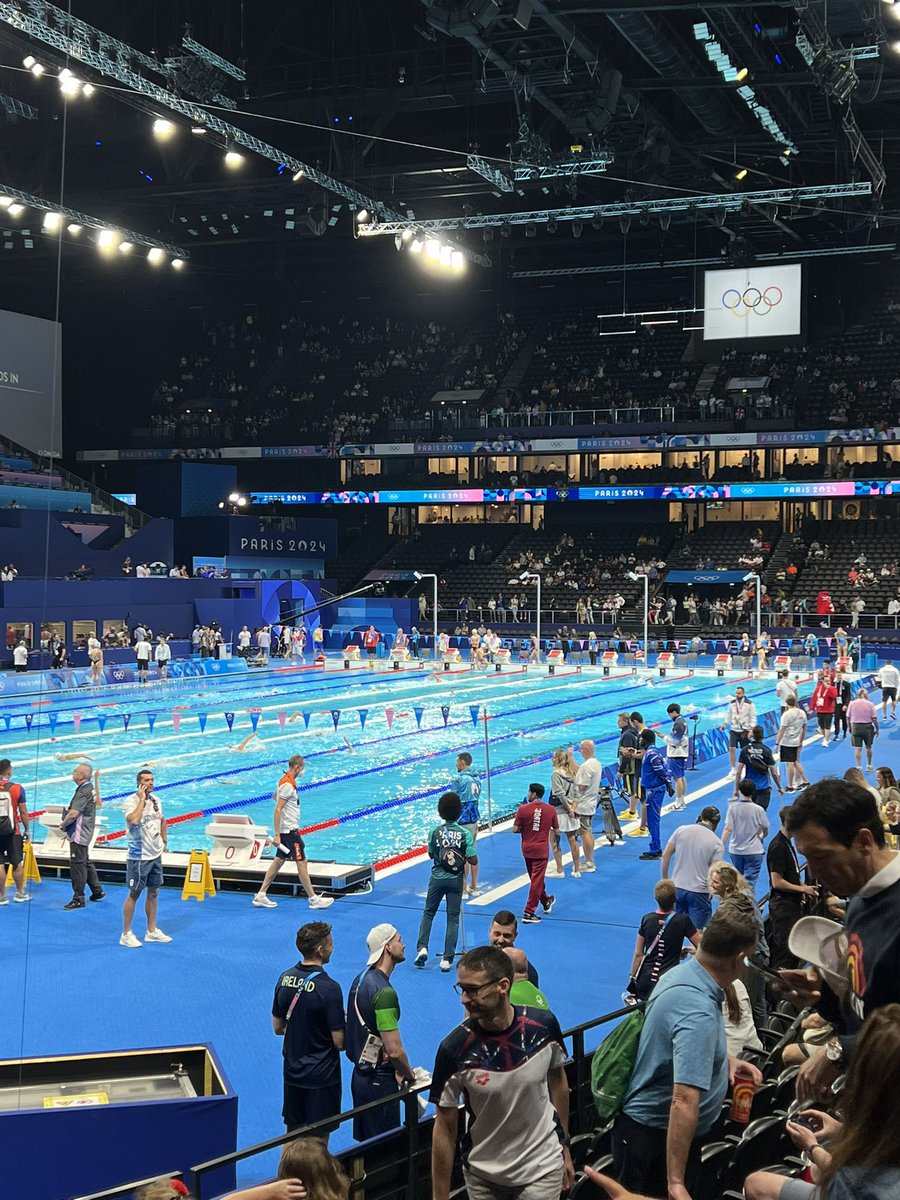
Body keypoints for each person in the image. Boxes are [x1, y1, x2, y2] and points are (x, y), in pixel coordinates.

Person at [612, 907, 763, 1199]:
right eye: (748, 960)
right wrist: (676, 1181)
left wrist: (726, 1062)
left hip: (656, 1136)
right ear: (738, 959)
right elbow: (683, 1100)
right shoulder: (697, 1011)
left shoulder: (682, 975)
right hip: (658, 1144)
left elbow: (679, 1048)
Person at [781, 780, 900, 1104]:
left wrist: (837, 1051)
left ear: (863, 841)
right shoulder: (860, 897)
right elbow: (865, 1006)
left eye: (821, 856)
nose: (813, 872)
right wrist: (823, 996)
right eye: (807, 858)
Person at [430, 945, 574, 1200]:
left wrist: (564, 1146)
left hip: (542, 1169)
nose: (464, 999)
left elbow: (559, 1082)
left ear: (503, 986)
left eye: (473, 990)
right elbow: (445, 1128)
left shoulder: (544, 1027)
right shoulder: (453, 1051)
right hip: (483, 1178)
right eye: (462, 989)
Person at [744, 1004, 900, 1200]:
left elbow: (845, 1183)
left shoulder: (854, 1183)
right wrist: (840, 1131)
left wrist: (812, 1148)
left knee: (757, 1185)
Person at [346, 924, 417, 1142]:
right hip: (380, 1084)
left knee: (365, 1150)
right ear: (387, 947)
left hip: (360, 1079)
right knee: (384, 1151)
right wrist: (409, 1075)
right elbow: (395, 1050)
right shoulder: (384, 993)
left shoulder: (360, 980)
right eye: (399, 940)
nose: (403, 945)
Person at [272, 921, 344, 1135]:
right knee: (319, 1140)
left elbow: (278, 1027)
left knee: (292, 1134)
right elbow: (339, 1042)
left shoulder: (284, 979)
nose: (333, 947)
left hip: (292, 1073)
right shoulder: (330, 988)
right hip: (321, 1077)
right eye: (330, 944)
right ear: (320, 950)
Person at [253, 756, 334, 911]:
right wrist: (277, 834)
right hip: (290, 832)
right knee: (302, 863)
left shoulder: (284, 781)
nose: (303, 771)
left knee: (278, 861)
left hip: (287, 830)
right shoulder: (288, 785)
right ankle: (313, 899)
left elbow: (275, 797)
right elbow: (277, 809)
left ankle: (261, 894)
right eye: (302, 767)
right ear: (297, 767)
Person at [414, 791, 477, 971]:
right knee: (453, 917)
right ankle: (447, 959)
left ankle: (422, 948)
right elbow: (474, 860)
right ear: (459, 812)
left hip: (437, 878)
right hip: (455, 880)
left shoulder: (434, 832)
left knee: (428, 913)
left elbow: (431, 854)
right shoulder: (464, 833)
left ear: (440, 812)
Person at [626, 879, 701, 1004]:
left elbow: (638, 954)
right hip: (668, 981)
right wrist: (688, 949)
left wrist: (633, 977)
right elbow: (703, 947)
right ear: (675, 898)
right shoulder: (683, 920)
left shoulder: (646, 919)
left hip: (646, 981)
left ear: (656, 898)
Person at [120, 768, 170, 946]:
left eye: (152, 780)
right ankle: (126, 934)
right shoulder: (130, 801)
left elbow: (162, 820)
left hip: (155, 855)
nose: (150, 783)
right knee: (134, 894)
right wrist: (141, 799)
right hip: (139, 856)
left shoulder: (156, 800)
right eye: (146, 780)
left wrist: (164, 841)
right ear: (139, 784)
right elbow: (133, 820)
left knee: (154, 892)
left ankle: (151, 931)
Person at [766, 805, 818, 970]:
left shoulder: (787, 843)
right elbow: (777, 881)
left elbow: (789, 874)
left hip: (790, 905)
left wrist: (801, 886)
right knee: (785, 952)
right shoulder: (778, 847)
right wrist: (802, 889)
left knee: (793, 950)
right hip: (783, 907)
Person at [659, 807, 723, 929]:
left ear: (701, 816)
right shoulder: (716, 843)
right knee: (697, 932)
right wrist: (712, 892)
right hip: (700, 891)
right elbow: (714, 872)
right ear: (716, 824)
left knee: (675, 928)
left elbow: (666, 855)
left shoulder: (681, 830)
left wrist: (665, 880)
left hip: (678, 887)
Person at [60, 763, 105, 910]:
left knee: (77, 865)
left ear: (83, 776)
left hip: (79, 833)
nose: (73, 772)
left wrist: (63, 824)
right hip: (86, 830)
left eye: (76, 771)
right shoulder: (89, 788)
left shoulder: (84, 791)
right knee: (85, 861)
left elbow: (74, 814)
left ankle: (78, 899)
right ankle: (97, 890)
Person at [514, 782, 558, 925]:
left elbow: (515, 829)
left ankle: (546, 901)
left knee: (535, 880)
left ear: (533, 794)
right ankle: (529, 912)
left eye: (529, 792)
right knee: (536, 880)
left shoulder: (522, 809)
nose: (528, 794)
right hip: (541, 850)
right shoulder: (551, 809)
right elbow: (557, 831)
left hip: (527, 849)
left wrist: (528, 829)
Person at [721, 780, 770, 893]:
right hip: (754, 850)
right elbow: (765, 827)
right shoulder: (758, 809)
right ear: (753, 792)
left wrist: (721, 844)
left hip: (736, 850)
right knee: (749, 883)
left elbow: (728, 828)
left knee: (738, 880)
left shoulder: (732, 808)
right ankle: (746, 901)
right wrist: (761, 836)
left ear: (740, 791)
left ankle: (738, 900)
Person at [637, 729, 674, 863]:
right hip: (653, 789)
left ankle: (655, 850)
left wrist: (668, 784)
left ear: (645, 740)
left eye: (641, 738)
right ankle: (655, 847)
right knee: (652, 820)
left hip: (654, 790)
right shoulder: (652, 751)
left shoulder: (651, 754)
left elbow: (661, 771)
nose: (639, 741)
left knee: (653, 820)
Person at [0, 758, 30, 904]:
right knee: (17, 862)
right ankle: (19, 893)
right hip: (13, 831)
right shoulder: (17, 788)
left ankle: (2, 897)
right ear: (9, 772)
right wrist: (27, 829)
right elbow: (23, 812)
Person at [548, 746, 580, 878]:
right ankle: (577, 870)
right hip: (571, 812)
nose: (552, 759)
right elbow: (577, 794)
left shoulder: (556, 774)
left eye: (553, 757)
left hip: (558, 813)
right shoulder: (572, 774)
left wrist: (568, 809)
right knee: (573, 841)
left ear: (558, 760)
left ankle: (560, 870)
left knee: (554, 841)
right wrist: (573, 809)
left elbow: (560, 794)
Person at [734, 725, 783, 811]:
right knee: (760, 813)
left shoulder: (745, 750)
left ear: (752, 735)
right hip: (763, 787)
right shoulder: (766, 750)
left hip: (748, 788)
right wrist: (779, 786)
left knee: (750, 813)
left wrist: (736, 789)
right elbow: (774, 772)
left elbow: (738, 772)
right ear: (762, 736)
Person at [453, 752, 482, 898]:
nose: (456, 764)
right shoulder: (477, 778)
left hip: (462, 822)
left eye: (457, 761)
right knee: (472, 853)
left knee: (462, 856)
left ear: (463, 762)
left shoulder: (460, 779)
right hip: (473, 820)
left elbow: (452, 800)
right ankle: (474, 886)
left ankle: (463, 889)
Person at [489, 910, 539, 986]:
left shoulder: (527, 973)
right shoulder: (478, 960)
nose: (500, 940)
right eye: (497, 934)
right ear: (490, 932)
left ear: (515, 936)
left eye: (507, 936)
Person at [573, 739, 601, 872]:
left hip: (583, 805)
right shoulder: (596, 763)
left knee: (584, 833)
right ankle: (590, 860)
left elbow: (582, 786)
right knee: (588, 832)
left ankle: (589, 862)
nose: (580, 752)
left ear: (585, 750)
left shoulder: (586, 766)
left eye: (580, 749)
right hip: (591, 803)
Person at [775, 694, 810, 792]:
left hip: (787, 742)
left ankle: (790, 786)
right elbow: (804, 729)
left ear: (786, 703)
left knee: (790, 764)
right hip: (797, 741)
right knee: (796, 762)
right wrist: (801, 741)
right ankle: (804, 781)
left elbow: (782, 730)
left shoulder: (786, 714)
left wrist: (777, 744)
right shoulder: (802, 713)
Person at [721, 687, 757, 778]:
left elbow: (753, 718)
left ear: (743, 694)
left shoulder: (749, 704)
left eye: (739, 693)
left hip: (745, 730)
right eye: (736, 693)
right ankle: (733, 769)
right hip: (734, 729)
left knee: (745, 750)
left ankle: (745, 767)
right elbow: (729, 714)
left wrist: (751, 730)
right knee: (731, 749)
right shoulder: (732, 703)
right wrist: (725, 723)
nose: (737, 695)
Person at [846, 686, 879, 772]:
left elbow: (848, 717)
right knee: (868, 747)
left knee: (858, 748)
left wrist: (849, 727)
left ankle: (859, 766)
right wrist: (877, 728)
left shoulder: (852, 703)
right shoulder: (870, 704)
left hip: (855, 727)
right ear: (866, 695)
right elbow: (874, 718)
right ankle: (869, 765)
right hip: (867, 727)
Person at [616, 712, 641, 823]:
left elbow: (626, 754)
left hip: (630, 768)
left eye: (619, 721)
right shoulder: (632, 731)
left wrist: (621, 770)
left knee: (632, 790)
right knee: (633, 789)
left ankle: (632, 813)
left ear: (626, 721)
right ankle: (632, 809)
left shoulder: (627, 734)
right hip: (634, 766)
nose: (618, 723)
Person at [664, 703, 690, 810]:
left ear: (674, 712)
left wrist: (663, 737)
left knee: (677, 778)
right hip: (681, 753)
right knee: (681, 777)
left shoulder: (678, 723)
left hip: (676, 754)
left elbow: (675, 741)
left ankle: (678, 803)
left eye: (670, 714)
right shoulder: (682, 721)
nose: (669, 716)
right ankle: (681, 800)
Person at [811, 671, 838, 747]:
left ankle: (826, 740)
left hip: (829, 711)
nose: (828, 682)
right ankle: (825, 738)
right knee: (822, 727)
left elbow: (834, 696)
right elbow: (814, 699)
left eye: (829, 681)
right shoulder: (818, 689)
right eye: (826, 681)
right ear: (823, 682)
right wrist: (812, 708)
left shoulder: (832, 689)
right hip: (820, 710)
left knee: (827, 726)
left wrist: (828, 688)